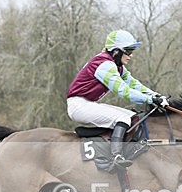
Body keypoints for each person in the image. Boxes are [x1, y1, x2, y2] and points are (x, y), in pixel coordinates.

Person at [67, 30, 167, 172]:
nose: (131, 55)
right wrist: (150, 99)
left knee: (134, 118)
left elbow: (134, 84)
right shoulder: (104, 65)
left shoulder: (117, 66)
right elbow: (124, 92)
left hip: (88, 104)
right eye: (128, 51)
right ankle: (114, 157)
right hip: (78, 106)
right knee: (123, 119)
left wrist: (157, 95)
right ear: (115, 52)